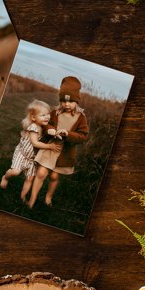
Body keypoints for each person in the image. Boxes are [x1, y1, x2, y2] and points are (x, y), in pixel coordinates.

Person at [27, 76, 89, 208]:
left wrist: (68, 134)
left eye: (71, 101)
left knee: (54, 176)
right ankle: (32, 200)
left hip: (64, 152)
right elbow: (47, 123)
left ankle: (48, 197)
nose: (67, 104)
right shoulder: (55, 112)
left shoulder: (81, 117)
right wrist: (49, 129)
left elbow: (83, 136)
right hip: (51, 147)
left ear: (77, 101)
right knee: (41, 173)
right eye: (63, 101)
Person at [0, 99, 62, 203]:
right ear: (33, 117)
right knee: (15, 172)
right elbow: (35, 143)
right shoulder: (33, 127)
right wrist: (50, 146)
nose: (47, 117)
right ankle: (5, 177)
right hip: (22, 154)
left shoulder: (44, 127)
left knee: (29, 179)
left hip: (32, 159)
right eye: (43, 115)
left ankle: (22, 197)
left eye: (48, 114)